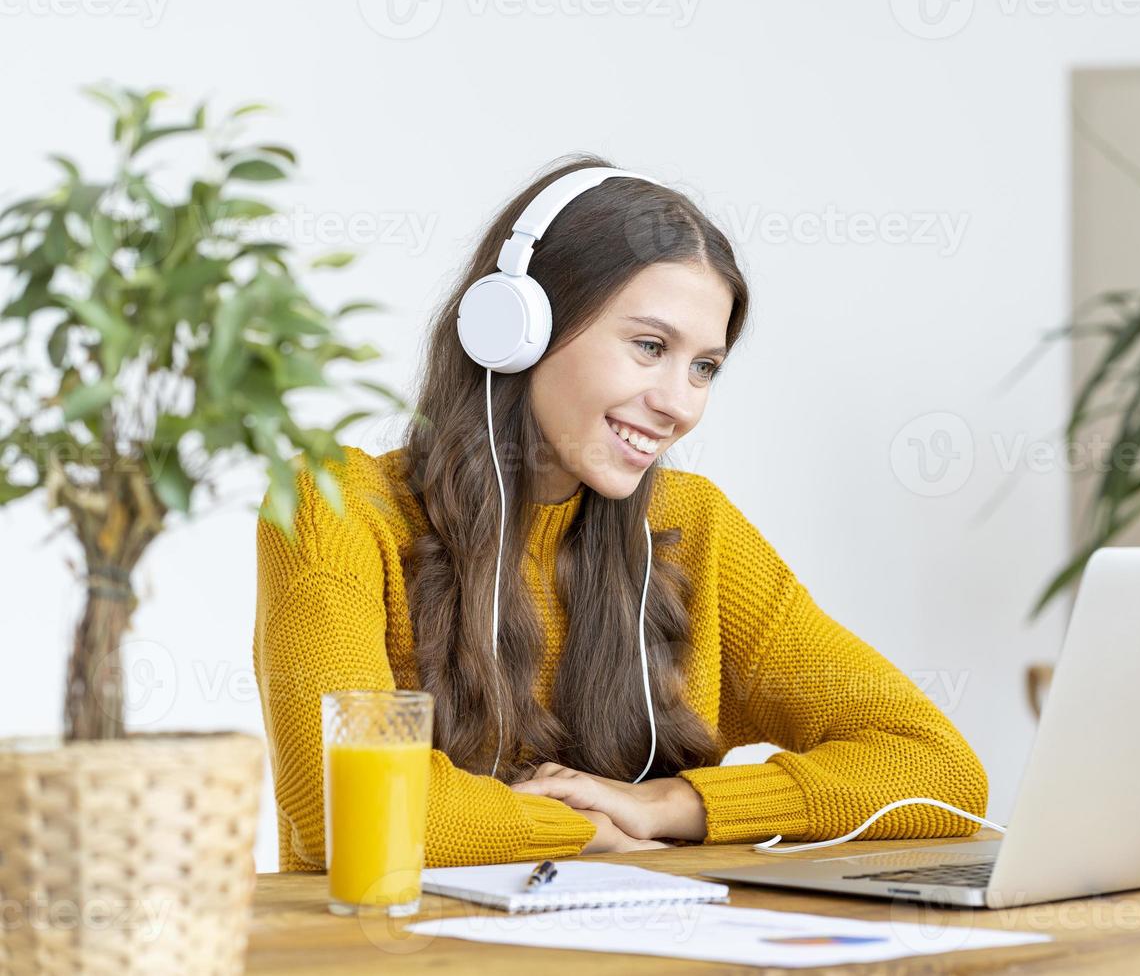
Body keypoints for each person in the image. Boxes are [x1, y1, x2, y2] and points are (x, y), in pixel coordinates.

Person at [251, 153, 989, 870]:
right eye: (648, 346)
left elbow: (941, 769)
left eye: (704, 367)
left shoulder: (691, 527)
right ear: (518, 331)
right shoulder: (338, 506)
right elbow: (344, 808)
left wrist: (670, 806)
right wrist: (587, 835)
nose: (679, 404)